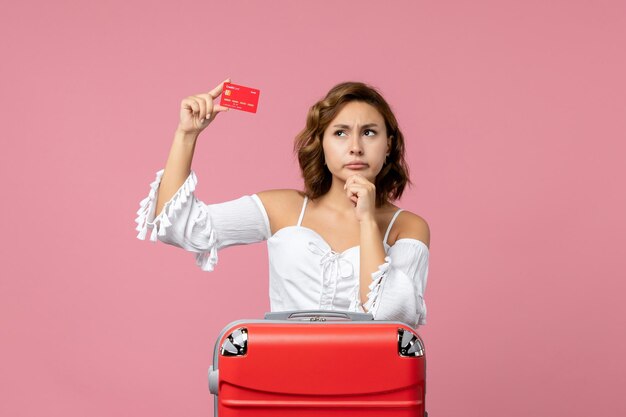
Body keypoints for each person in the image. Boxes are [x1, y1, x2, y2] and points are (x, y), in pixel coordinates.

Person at [135, 79, 430, 329]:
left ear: (388, 144)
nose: (355, 146)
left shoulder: (406, 227)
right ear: (322, 143)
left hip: (369, 388)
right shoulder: (283, 208)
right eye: (340, 133)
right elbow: (179, 229)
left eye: (369, 132)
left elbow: (392, 316)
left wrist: (367, 221)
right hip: (283, 378)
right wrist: (186, 135)